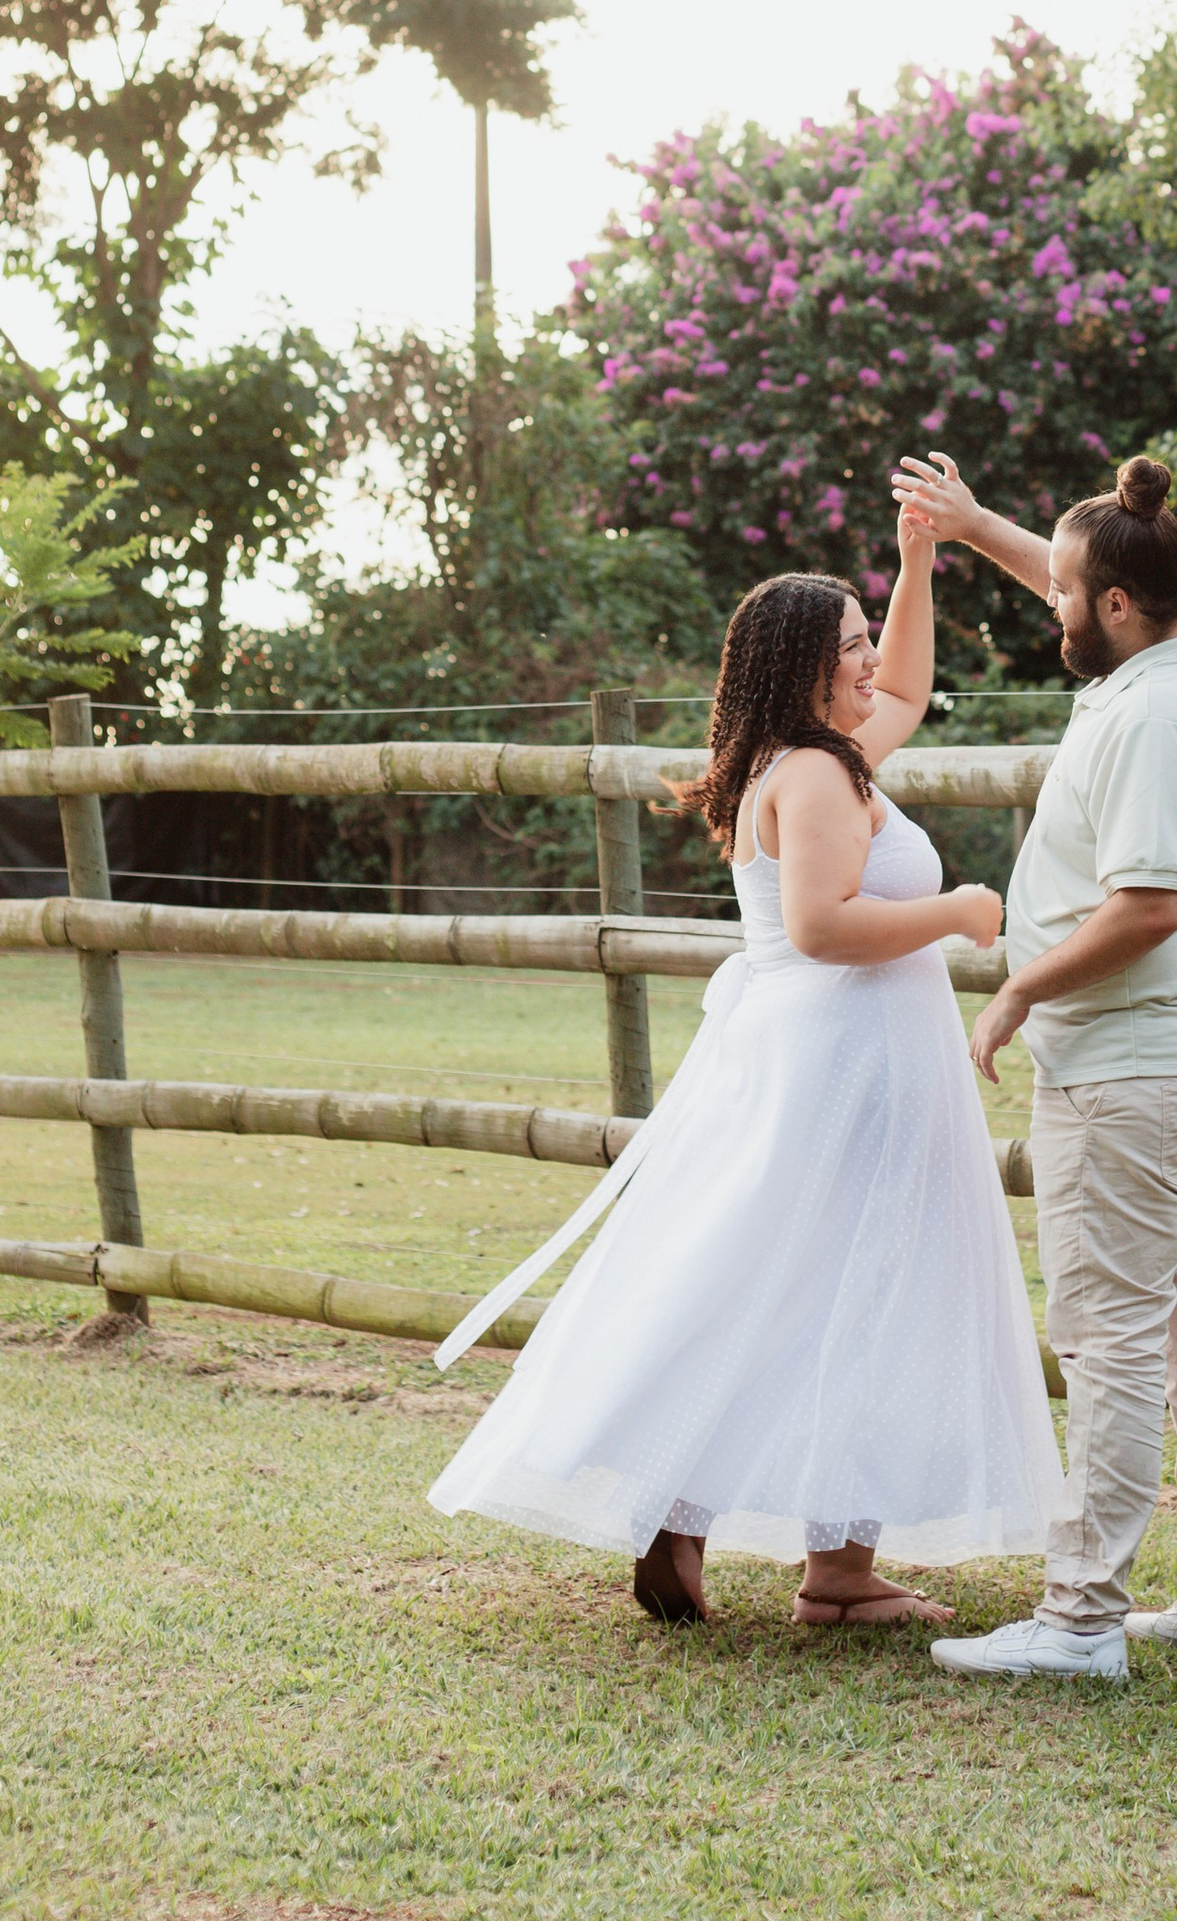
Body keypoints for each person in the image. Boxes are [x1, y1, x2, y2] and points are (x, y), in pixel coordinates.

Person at [425, 495, 1063, 1628]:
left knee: (833, 1291)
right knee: (841, 1288)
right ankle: (717, 1526)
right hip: (842, 1061)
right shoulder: (815, 778)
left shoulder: (819, 755)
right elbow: (822, 929)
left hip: (844, 1060)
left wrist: (919, 562)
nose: (873, 663)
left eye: (870, 638)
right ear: (806, 670)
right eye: (853, 647)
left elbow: (913, 692)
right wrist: (961, 910)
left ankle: (805, 1555)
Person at [891, 448, 1177, 1684]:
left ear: (1115, 607)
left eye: (1065, 594)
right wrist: (970, 528)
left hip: (1137, 1068)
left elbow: (1151, 905)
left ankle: (1077, 1620)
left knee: (1110, 1332)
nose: (1048, 604)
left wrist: (1018, 985)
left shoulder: (1162, 711)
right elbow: (1074, 575)